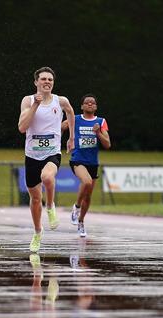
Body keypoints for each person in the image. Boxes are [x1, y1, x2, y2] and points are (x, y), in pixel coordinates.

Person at [18, 67, 75, 253]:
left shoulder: (61, 101)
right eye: (43, 79)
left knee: (48, 177)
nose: (47, 82)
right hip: (32, 155)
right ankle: (37, 232)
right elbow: (22, 127)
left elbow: (71, 112)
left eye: (50, 79)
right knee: (35, 198)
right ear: (36, 82)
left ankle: (50, 205)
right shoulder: (27, 100)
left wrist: (71, 137)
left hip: (52, 152)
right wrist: (35, 105)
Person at [62, 94, 111, 237]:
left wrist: (97, 133)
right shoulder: (75, 119)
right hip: (78, 159)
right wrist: (65, 140)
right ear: (82, 106)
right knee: (86, 181)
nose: (90, 104)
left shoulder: (101, 122)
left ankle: (81, 221)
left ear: (96, 107)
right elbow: (59, 127)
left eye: (92, 103)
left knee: (88, 196)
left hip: (92, 162)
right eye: (87, 103)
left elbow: (107, 144)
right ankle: (76, 207)